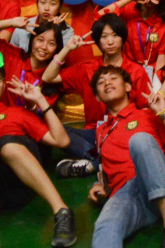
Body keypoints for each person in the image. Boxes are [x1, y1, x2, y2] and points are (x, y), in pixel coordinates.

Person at [0, 60, 76, 248]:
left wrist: (40, 100)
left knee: (6, 145)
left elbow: (62, 141)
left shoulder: (17, 112)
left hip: (21, 170)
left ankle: (62, 211)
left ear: (3, 86)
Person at [85, 65, 165, 248]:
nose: (107, 83)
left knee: (139, 140)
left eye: (113, 78)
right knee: (104, 228)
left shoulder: (147, 114)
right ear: (97, 97)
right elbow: (106, 167)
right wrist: (99, 184)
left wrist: (163, 112)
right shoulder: (101, 131)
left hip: (160, 183)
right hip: (126, 195)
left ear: (128, 86)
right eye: (101, 82)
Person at [43, 13, 152, 178]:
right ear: (98, 41)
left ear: (123, 38)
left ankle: (95, 161)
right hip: (95, 132)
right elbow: (48, 77)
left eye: (115, 36)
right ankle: (100, 160)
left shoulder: (136, 71)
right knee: (53, 129)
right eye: (104, 37)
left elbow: (145, 110)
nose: (110, 41)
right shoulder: (87, 68)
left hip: (125, 131)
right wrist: (67, 49)